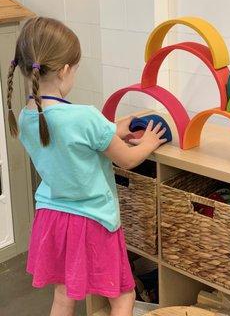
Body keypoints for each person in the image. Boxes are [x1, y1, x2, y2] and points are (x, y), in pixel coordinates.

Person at [7, 17, 167, 316]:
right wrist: (149, 142)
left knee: (64, 293)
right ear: (66, 70)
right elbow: (128, 159)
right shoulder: (85, 117)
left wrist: (112, 130)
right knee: (122, 296)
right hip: (91, 220)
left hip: (52, 217)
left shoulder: (28, 117)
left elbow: (71, 141)